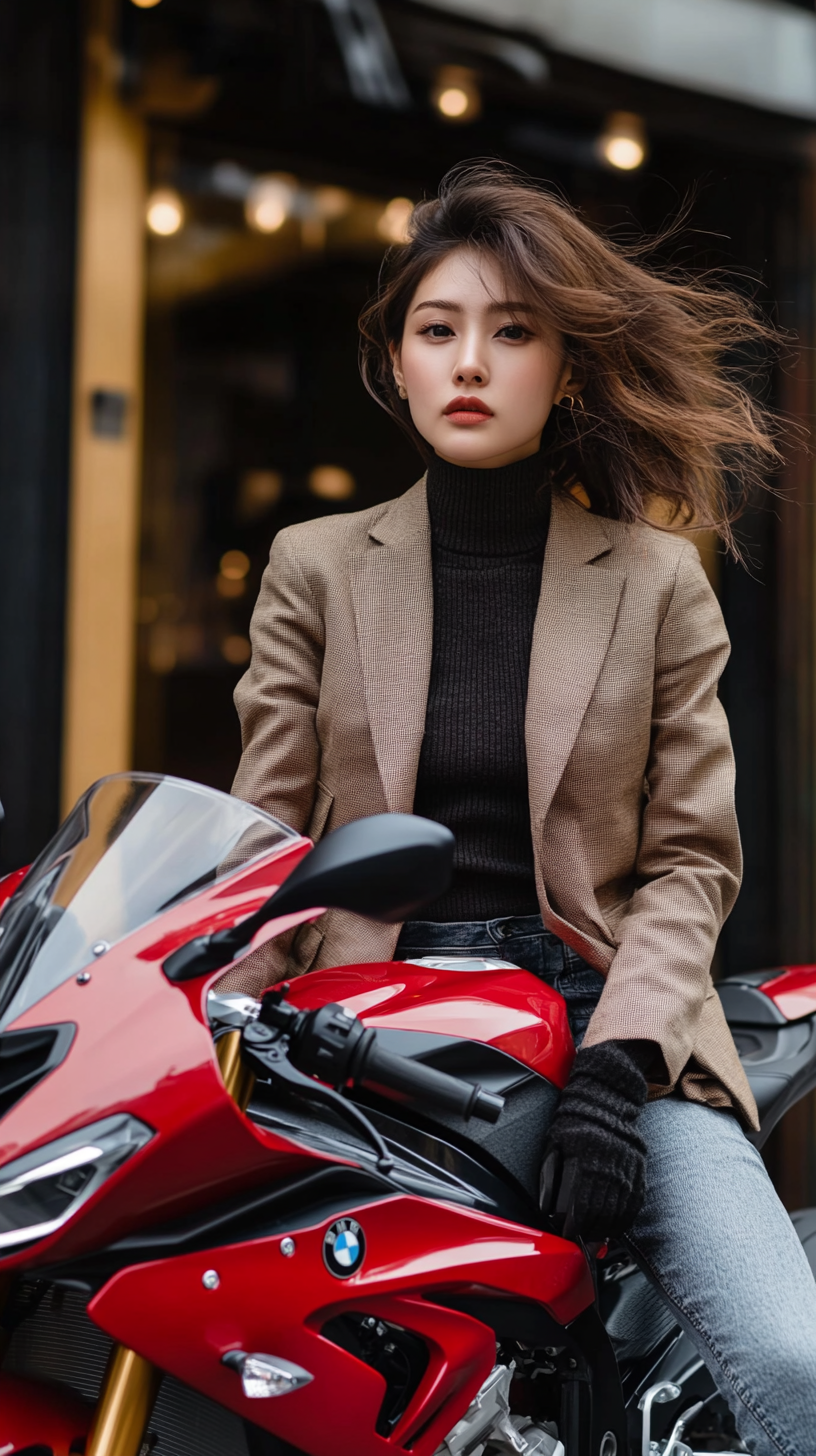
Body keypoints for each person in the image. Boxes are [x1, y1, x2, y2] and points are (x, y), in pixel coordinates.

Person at [229, 162, 816, 1453]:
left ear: (568, 366)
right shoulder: (317, 567)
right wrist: (217, 1009)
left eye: (513, 330)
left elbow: (690, 865)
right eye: (438, 330)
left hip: (602, 1031)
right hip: (355, 1040)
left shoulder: (657, 578)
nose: (471, 362)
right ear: (397, 362)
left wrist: (617, 1072)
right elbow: (260, 851)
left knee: (796, 1363)